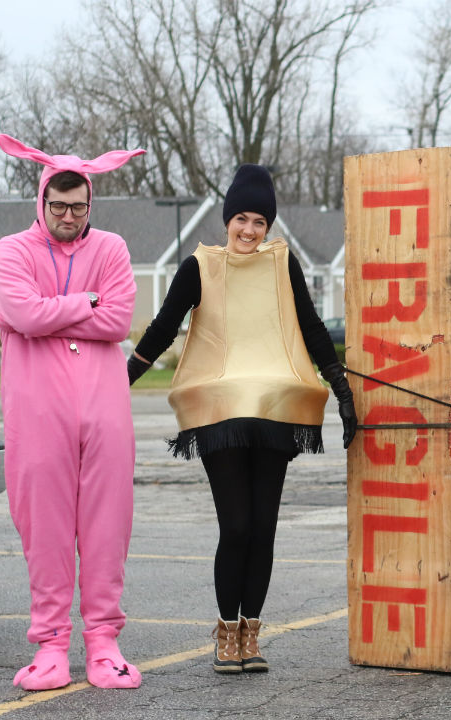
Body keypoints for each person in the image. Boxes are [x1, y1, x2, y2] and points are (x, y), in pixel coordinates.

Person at [128, 164, 357, 674]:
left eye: (259, 221)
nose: (249, 230)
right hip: (220, 413)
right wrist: (120, 379)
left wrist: (340, 388)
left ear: (268, 225)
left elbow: (312, 327)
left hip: (275, 409)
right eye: (242, 219)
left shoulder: (283, 265)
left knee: (264, 527)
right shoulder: (200, 267)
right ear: (227, 218)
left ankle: (251, 633)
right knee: (236, 526)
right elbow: (165, 325)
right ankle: (225, 632)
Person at [0, 133, 145, 691]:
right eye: (58, 207)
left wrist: (47, 314)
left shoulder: (112, 248)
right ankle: (51, 645)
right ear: (42, 202)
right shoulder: (11, 251)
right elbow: (21, 313)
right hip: (37, 415)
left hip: (104, 412)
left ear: (89, 205)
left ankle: (104, 643)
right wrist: (86, 303)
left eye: (79, 207)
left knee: (107, 525)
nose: (69, 217)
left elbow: (119, 321)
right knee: (45, 528)